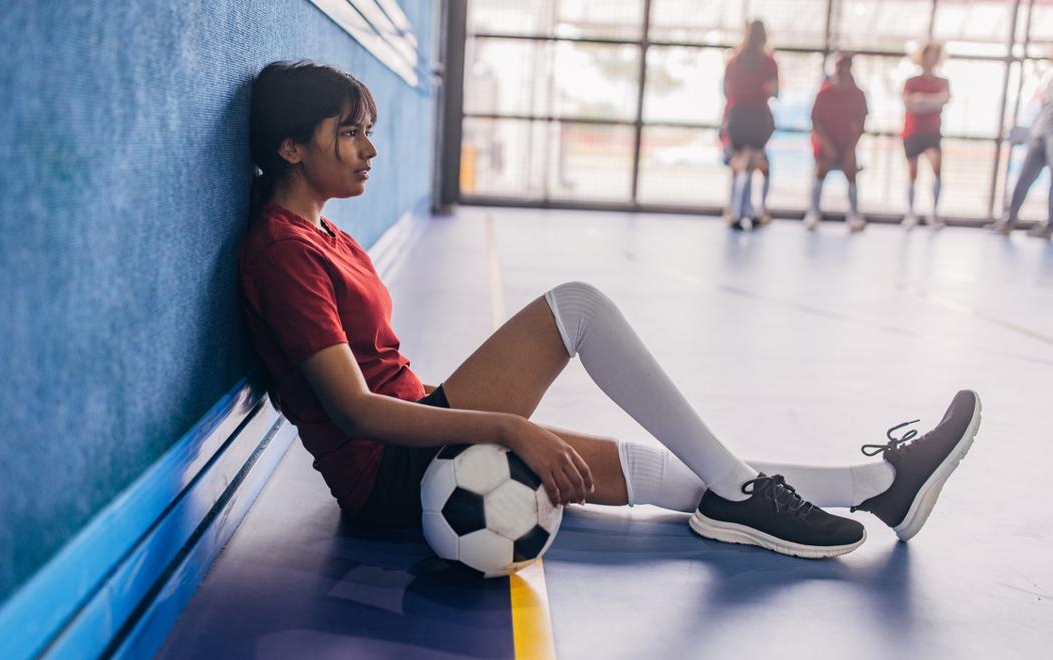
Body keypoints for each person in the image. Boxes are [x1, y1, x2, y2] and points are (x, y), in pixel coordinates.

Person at [239, 60, 983, 560]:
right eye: (350, 132)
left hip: (413, 434)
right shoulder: (284, 253)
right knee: (578, 308)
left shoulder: (322, 231)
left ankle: (877, 489)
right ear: (291, 146)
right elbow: (357, 413)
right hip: (387, 474)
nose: (369, 148)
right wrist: (510, 426)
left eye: (368, 130)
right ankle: (763, 493)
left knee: (659, 472)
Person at [721, 21, 778, 231]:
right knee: (755, 162)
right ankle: (753, 210)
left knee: (740, 163)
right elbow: (774, 90)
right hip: (758, 117)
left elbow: (726, 90)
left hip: (738, 116)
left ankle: (738, 209)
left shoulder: (734, 61)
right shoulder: (769, 62)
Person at [803, 54, 868, 232]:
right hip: (825, 147)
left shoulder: (857, 94)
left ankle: (854, 214)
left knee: (850, 172)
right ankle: (813, 212)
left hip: (846, 145)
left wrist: (849, 149)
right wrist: (827, 145)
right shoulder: (823, 94)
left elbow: (860, 123)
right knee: (820, 171)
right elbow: (816, 122)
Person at [991, 64, 1053, 239]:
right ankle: (1009, 220)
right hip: (1039, 134)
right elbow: (1043, 107)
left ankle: (1049, 226)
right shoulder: (1049, 77)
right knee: (1024, 178)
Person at [901, 42, 951, 228]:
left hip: (932, 132)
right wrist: (931, 102)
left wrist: (921, 100)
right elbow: (909, 104)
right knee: (912, 173)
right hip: (912, 131)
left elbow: (943, 101)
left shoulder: (942, 82)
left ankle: (933, 214)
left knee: (936, 170)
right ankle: (910, 213)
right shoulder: (911, 81)